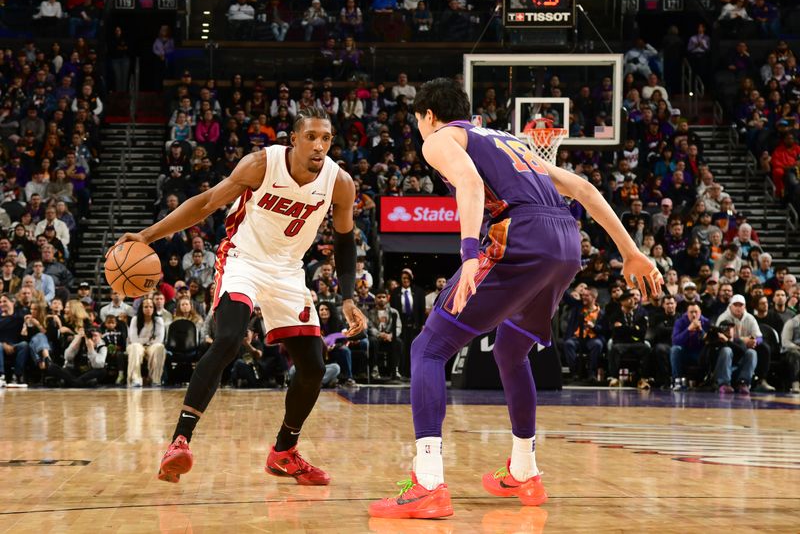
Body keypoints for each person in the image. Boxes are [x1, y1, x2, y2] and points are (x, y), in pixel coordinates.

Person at [369, 79, 661, 519]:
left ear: (428, 115)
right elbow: (581, 188)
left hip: (521, 233)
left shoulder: (440, 138)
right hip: (566, 241)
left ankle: (427, 483)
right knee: (510, 350)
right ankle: (524, 469)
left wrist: (469, 254)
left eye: (418, 120)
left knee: (427, 348)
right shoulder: (510, 140)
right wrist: (630, 251)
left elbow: (467, 183)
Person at [112, 107, 366, 484]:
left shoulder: (339, 182)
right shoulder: (261, 164)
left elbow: (345, 239)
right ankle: (179, 440)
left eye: (326, 138)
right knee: (229, 339)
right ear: (293, 139)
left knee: (312, 367)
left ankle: (284, 452)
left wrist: (347, 297)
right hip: (243, 257)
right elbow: (205, 203)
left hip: (288, 272)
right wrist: (148, 235)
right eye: (311, 136)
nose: (319, 145)